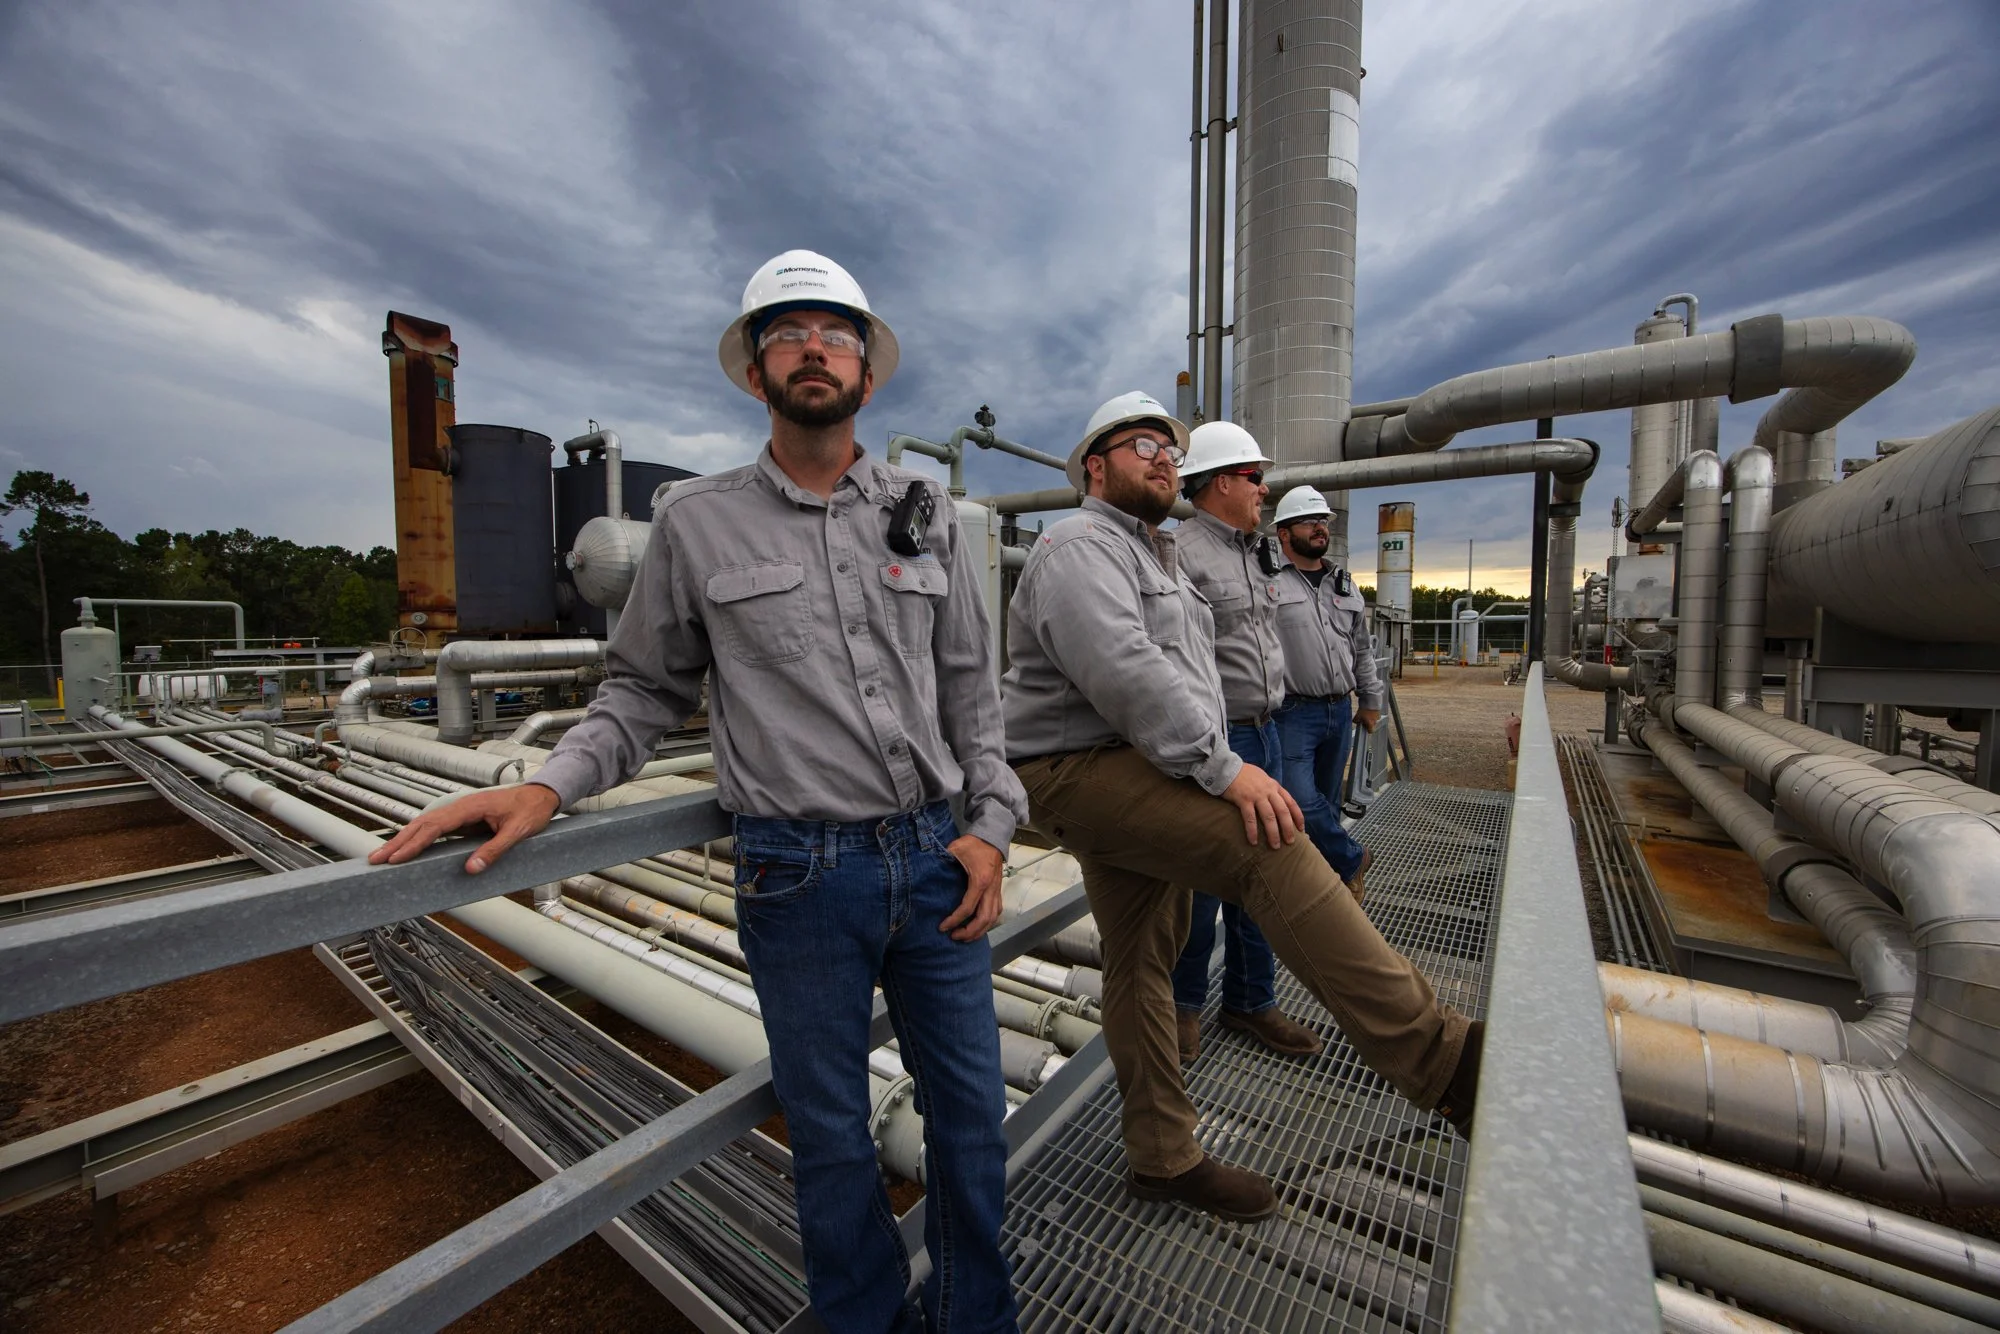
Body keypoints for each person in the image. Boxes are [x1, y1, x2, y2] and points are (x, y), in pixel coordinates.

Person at [372, 250, 1024, 1334]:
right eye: (787, 332)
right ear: (755, 366)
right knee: (827, 1134)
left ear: (867, 367)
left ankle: (972, 1321)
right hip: (796, 872)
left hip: (937, 860)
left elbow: (973, 691)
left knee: (968, 1123)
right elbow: (638, 689)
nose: (813, 348)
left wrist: (993, 830)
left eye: (835, 331)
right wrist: (544, 787)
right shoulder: (694, 522)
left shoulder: (927, 511)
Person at [1001, 392, 1482, 1223]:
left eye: (1170, 447)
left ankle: (1162, 1156)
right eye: (1141, 442)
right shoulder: (1078, 546)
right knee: (1267, 838)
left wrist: (1207, 760)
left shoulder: (1156, 556)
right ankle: (1443, 1062)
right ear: (1095, 466)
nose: (1161, 456)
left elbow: (1190, 673)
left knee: (1146, 954)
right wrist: (1225, 773)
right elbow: (1126, 672)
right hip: (1074, 768)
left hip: (1134, 765)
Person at [1167, 423, 1324, 1064]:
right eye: (1256, 477)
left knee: (1266, 876)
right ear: (1222, 481)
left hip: (1271, 729)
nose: (1265, 489)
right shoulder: (1177, 553)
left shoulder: (1256, 551)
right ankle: (1182, 1013)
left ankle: (1252, 1001)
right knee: (1202, 885)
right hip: (1220, 740)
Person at [1270, 485, 1381, 903]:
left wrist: (1370, 700)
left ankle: (1325, 888)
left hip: (1341, 709)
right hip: (1292, 711)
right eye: (1309, 521)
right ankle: (1352, 859)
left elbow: (1362, 648)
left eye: (1324, 521)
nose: (1320, 528)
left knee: (1328, 804)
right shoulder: (1269, 581)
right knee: (1301, 801)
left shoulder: (1345, 585)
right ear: (1283, 533)